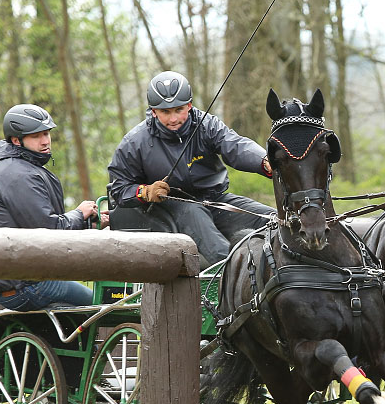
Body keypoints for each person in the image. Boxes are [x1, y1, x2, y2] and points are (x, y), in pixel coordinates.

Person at [107, 70, 273, 263]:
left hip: (214, 200)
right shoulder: (135, 142)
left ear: (189, 105)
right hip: (166, 209)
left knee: (271, 220)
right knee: (201, 223)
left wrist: (265, 160)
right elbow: (119, 189)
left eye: (179, 110)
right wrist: (145, 191)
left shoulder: (207, 125)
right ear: (153, 111)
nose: (173, 119)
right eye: (165, 112)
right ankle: (231, 275)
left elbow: (235, 145)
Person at [0, 104, 109, 311]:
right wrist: (78, 213)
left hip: (22, 277)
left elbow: (40, 223)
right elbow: (49, 231)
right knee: (104, 303)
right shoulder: (18, 175)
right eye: (36, 136)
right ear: (16, 140)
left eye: (47, 133)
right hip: (23, 284)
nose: (45, 141)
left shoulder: (19, 167)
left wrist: (90, 222)